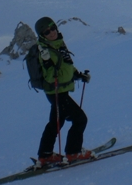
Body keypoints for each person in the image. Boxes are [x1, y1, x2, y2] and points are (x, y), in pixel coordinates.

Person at [34, 16, 93, 167]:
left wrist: (78, 75)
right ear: (42, 35)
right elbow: (49, 76)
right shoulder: (44, 50)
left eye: (53, 28)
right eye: (47, 31)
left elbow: (66, 66)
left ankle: (45, 155)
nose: (52, 32)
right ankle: (74, 152)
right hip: (57, 93)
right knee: (80, 119)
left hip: (58, 93)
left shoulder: (57, 44)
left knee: (56, 123)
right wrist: (47, 63)